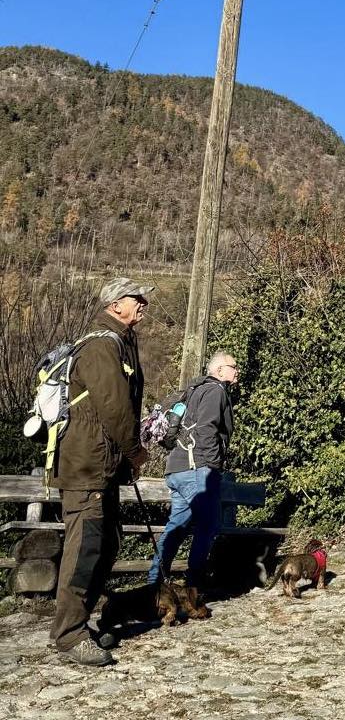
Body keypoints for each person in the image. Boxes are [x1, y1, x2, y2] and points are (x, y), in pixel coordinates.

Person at [50, 277, 152, 666]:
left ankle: (80, 625)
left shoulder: (120, 342)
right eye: (136, 297)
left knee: (106, 543)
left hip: (101, 466)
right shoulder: (101, 347)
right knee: (85, 549)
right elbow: (115, 408)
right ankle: (69, 635)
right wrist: (135, 453)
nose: (143, 303)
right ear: (114, 305)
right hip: (86, 467)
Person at [146, 351, 237, 598]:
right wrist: (212, 464)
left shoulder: (193, 389)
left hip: (177, 469)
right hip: (197, 468)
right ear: (219, 370)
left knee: (177, 526)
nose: (237, 370)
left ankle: (154, 585)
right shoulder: (216, 390)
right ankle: (194, 586)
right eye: (233, 366)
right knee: (207, 526)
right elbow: (207, 428)